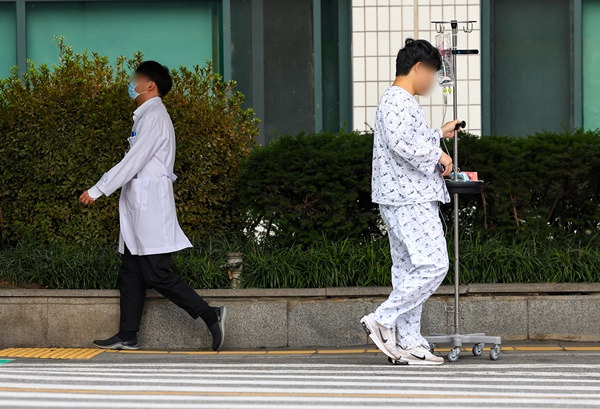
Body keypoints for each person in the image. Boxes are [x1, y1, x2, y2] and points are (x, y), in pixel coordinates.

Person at [79, 61, 227, 351]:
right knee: (131, 273)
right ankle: (127, 335)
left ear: (151, 85)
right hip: (139, 210)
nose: (131, 83)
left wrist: (99, 189)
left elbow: (133, 162)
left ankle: (211, 314)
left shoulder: (155, 116)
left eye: (137, 79)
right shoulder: (145, 117)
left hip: (151, 210)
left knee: (155, 273)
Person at [360, 39, 461, 365]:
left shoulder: (396, 101)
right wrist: (439, 153)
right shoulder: (399, 101)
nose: (433, 80)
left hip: (400, 196)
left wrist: (437, 135)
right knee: (434, 265)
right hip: (410, 197)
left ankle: (409, 341)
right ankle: (383, 318)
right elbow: (403, 143)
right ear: (419, 68)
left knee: (408, 271)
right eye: (433, 72)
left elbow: (404, 139)